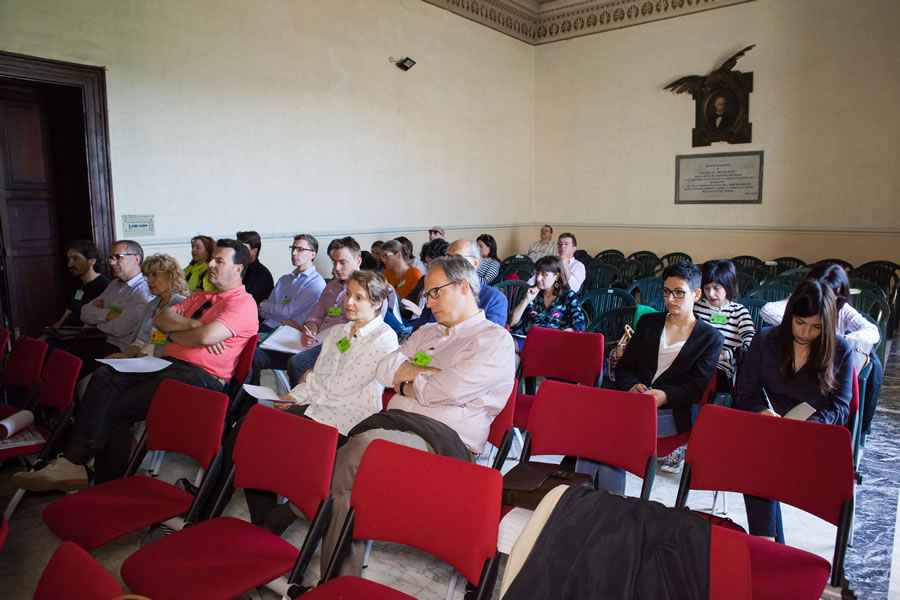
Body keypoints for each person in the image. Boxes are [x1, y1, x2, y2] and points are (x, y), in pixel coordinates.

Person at [319, 256, 515, 576]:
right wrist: (428, 377)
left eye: (435, 292)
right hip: (397, 427)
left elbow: (451, 389)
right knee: (349, 492)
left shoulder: (493, 340)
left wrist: (408, 381)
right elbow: (384, 370)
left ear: (463, 287)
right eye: (427, 294)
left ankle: (309, 508)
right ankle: (336, 584)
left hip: (445, 445)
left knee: (366, 447)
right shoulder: (427, 333)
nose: (429, 302)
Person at [13, 239, 259, 489]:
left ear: (238, 268)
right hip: (168, 365)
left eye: (219, 261)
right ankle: (82, 468)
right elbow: (161, 320)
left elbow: (205, 337)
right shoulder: (202, 297)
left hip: (202, 378)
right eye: (212, 259)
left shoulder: (242, 303)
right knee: (105, 375)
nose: (211, 264)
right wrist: (194, 327)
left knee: (115, 406)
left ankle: (88, 471)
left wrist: (179, 334)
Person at [221, 270, 399, 528]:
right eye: (348, 294)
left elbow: (342, 386)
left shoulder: (384, 338)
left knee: (260, 432)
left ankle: (244, 515)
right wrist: (292, 395)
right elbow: (318, 378)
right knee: (248, 425)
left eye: (359, 298)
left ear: (377, 303)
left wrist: (309, 378)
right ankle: (251, 514)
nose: (349, 302)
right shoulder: (337, 332)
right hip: (315, 406)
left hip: (345, 416)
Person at [582, 262, 723, 489]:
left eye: (679, 292)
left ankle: (599, 500)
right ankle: (590, 497)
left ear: (696, 295)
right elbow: (625, 367)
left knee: (609, 429)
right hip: (635, 402)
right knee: (594, 425)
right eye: (667, 291)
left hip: (673, 411)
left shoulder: (710, 338)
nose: (670, 298)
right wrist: (632, 385)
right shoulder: (649, 323)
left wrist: (663, 396)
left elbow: (696, 388)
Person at [735, 280, 853, 543]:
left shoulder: (840, 350)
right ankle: (768, 544)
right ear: (789, 315)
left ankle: (766, 544)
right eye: (799, 323)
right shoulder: (766, 339)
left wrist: (811, 425)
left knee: (761, 462)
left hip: (812, 437)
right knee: (760, 457)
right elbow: (744, 393)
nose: (806, 333)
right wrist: (762, 411)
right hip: (768, 430)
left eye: (816, 327)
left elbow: (840, 409)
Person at [760, 263, 882, 433]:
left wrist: (836, 339)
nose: (826, 298)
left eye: (833, 294)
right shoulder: (801, 303)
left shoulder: (843, 312)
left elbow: (872, 331)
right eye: (800, 322)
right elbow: (767, 310)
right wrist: (795, 324)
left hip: (825, 372)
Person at [286, 237, 388, 386]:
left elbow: (367, 333)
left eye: (342, 262)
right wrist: (310, 331)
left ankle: (303, 399)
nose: (337, 268)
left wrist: (332, 349)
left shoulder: (371, 290)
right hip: (318, 341)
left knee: (298, 363)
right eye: (334, 262)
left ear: (358, 261)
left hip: (342, 346)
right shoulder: (331, 287)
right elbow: (315, 316)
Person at [54, 240, 154, 375]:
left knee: (70, 363)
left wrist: (97, 321)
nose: (112, 263)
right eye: (110, 258)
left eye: (118, 257)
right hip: (102, 340)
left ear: (136, 259)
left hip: (122, 349)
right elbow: (85, 312)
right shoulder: (114, 285)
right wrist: (108, 314)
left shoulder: (143, 291)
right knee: (62, 355)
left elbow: (119, 329)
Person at [250, 234, 326, 384]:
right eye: (293, 248)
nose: (294, 253)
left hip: (288, 336)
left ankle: (246, 396)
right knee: (238, 346)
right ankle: (244, 396)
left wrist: (266, 306)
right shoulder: (284, 279)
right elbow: (264, 312)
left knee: (250, 353)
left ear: (312, 254)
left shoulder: (316, 283)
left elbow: (287, 311)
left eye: (300, 249)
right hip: (267, 327)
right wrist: (272, 310)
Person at [409, 240, 508, 331]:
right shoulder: (436, 294)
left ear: (475, 262)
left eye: (458, 258)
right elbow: (417, 332)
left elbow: (489, 338)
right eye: (448, 257)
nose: (450, 264)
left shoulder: (494, 299)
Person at [103, 253, 188, 360]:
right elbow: (139, 341)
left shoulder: (180, 304)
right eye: (147, 275)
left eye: (154, 275)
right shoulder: (152, 304)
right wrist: (125, 356)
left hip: (161, 362)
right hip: (142, 360)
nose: (149, 280)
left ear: (171, 276)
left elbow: (164, 343)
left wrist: (137, 359)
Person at [693, 260, 755, 393]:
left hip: (718, 369)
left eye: (716, 288)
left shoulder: (739, 312)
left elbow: (751, 344)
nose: (711, 294)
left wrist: (723, 355)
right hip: (691, 363)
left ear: (728, 285)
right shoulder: (695, 307)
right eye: (706, 288)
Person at [510, 255, 586, 338]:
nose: (538, 278)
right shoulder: (532, 293)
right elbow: (512, 323)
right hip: (529, 339)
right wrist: (526, 300)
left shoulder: (568, 296)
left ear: (556, 276)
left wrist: (560, 336)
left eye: (544, 274)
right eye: (537, 273)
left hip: (556, 341)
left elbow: (580, 325)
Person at [45, 240, 110, 331]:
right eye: (68, 259)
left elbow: (98, 321)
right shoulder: (78, 284)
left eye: (75, 258)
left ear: (91, 261)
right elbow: (70, 309)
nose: (69, 264)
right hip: (67, 330)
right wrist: (55, 328)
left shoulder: (104, 286)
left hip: (81, 334)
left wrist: (77, 336)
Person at [236, 230, 274, 305]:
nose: (238, 251)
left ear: (254, 251)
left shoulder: (262, 274)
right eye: (237, 247)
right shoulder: (238, 268)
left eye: (242, 248)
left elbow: (248, 302)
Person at [381, 239, 423, 304]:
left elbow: (416, 301)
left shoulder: (414, 274)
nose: (383, 260)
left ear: (398, 254)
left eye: (386, 255)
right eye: (382, 256)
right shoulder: (386, 274)